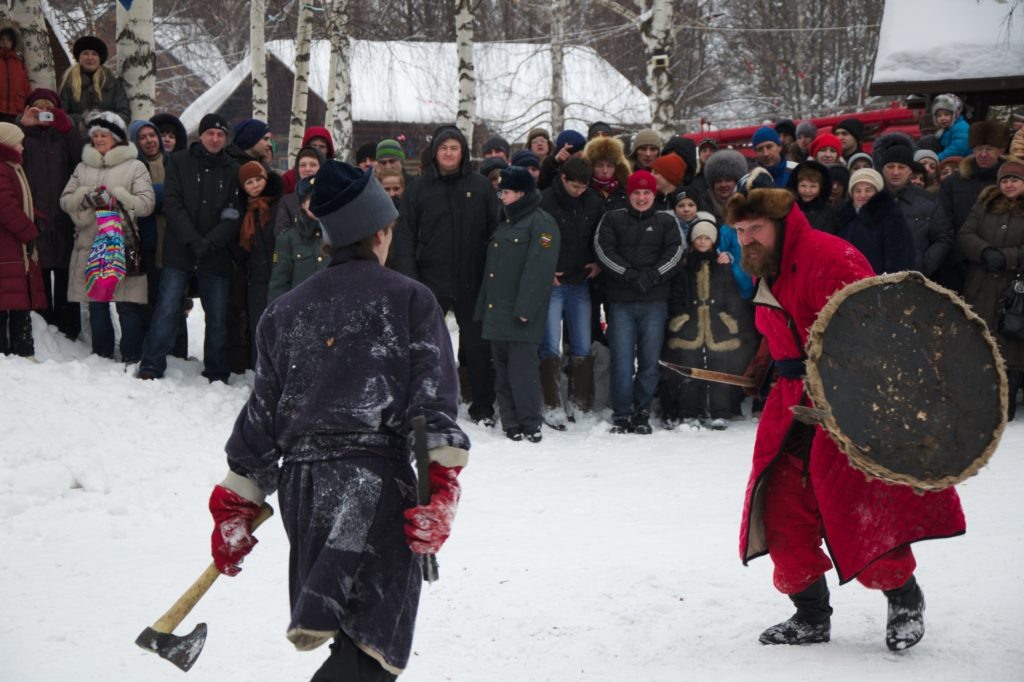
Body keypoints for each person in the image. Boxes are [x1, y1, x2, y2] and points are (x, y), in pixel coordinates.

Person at [207, 159, 470, 681]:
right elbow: (432, 401)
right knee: (369, 651)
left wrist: (235, 505)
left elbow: (262, 415)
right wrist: (440, 487)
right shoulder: (411, 299)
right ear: (379, 232)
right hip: (377, 485)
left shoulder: (283, 311)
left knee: (351, 642)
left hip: (306, 491)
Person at [728, 179, 965, 651]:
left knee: (861, 508)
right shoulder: (767, 264)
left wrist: (847, 403)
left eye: (756, 227)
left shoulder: (832, 258)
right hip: (792, 401)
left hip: (847, 402)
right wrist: (765, 364)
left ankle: (904, 599)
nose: (747, 239)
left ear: (780, 224)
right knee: (779, 510)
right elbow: (784, 326)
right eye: (739, 230)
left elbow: (869, 335)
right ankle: (810, 615)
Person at [391, 124, 500, 426]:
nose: (449, 153)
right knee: (428, 345)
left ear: (462, 152)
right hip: (430, 281)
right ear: (435, 153)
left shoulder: (480, 186)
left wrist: (491, 274)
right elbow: (405, 236)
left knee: (478, 346)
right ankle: (427, 402)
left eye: (454, 148)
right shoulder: (419, 188)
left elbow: (495, 231)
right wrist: (410, 278)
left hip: (473, 279)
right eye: (443, 148)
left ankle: (482, 405)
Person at [138, 113, 241, 382]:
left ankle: (217, 370)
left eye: (220, 134)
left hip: (215, 253)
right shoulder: (180, 162)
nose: (215, 139)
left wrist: (211, 242)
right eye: (210, 134)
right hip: (180, 249)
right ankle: (151, 364)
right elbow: (172, 204)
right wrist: (194, 240)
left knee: (217, 316)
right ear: (201, 136)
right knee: (167, 309)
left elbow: (233, 212)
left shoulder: (232, 168)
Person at [60, 111, 155, 362]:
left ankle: (131, 356)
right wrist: (84, 196)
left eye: (104, 135)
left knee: (127, 306)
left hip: (122, 243)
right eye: (95, 135)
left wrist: (119, 196)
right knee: (97, 304)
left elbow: (147, 204)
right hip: (91, 244)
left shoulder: (135, 166)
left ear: (117, 137)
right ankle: (101, 356)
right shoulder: (83, 167)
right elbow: (65, 201)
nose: (99, 139)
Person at [594, 169, 684, 434]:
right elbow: (603, 250)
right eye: (637, 193)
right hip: (621, 301)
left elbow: (676, 252)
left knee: (649, 359)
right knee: (622, 360)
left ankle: (642, 410)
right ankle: (622, 413)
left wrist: (654, 276)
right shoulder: (612, 219)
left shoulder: (666, 222)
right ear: (629, 195)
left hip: (655, 301)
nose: (642, 197)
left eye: (647, 192)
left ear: (653, 195)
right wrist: (630, 276)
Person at [476, 166, 560, 442]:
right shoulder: (507, 222)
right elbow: (492, 270)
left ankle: (530, 422)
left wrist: (525, 309)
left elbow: (539, 269)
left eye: (506, 191)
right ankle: (511, 423)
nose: (501, 196)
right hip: (497, 311)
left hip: (521, 313)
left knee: (522, 372)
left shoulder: (541, 223)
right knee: (501, 371)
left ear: (521, 193)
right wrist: (484, 306)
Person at [660, 216, 756, 429]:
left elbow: (731, 296)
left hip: (717, 327)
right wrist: (680, 319)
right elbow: (676, 296)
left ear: (713, 241)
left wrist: (730, 320)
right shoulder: (684, 267)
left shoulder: (721, 265)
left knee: (719, 369)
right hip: (690, 327)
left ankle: (720, 412)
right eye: (699, 238)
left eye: (707, 238)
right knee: (689, 371)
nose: (703, 242)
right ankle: (689, 412)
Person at [958, 159, 1024, 421]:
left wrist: (1006, 257)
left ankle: (1006, 404)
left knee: (1012, 349)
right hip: (981, 284)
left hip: (1015, 291)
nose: (1009, 184)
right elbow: (965, 234)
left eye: (1015, 180)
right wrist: (984, 251)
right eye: (1005, 180)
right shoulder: (984, 205)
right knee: (980, 343)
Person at [539, 156, 604, 421]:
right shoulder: (545, 201)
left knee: (582, 343)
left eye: (583, 186)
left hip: (581, 281)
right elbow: (539, 237)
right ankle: (551, 404)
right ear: (563, 178)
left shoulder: (593, 201)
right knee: (550, 343)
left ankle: (581, 402)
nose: (579, 191)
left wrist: (599, 262)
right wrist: (545, 268)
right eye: (575, 186)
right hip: (555, 282)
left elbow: (601, 236)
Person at [17, 88, 82, 340]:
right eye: (38, 106)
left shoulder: (65, 134)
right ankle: (43, 327)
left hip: (64, 215)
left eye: (49, 106)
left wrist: (68, 129)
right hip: (35, 213)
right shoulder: (22, 134)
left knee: (66, 271)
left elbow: (82, 158)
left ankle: (69, 330)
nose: (43, 111)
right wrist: (24, 125)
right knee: (38, 272)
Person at [228, 160, 283, 372]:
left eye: (258, 179)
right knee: (258, 324)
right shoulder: (244, 210)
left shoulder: (279, 204)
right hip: (256, 276)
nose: (255, 185)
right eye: (249, 182)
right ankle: (259, 370)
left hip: (278, 272)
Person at [873, 134, 950, 278]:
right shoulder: (871, 199)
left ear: (910, 171)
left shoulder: (928, 201)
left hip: (915, 280)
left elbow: (943, 238)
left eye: (901, 167)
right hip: (875, 278)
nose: (895, 172)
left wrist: (922, 266)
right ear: (883, 169)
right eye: (890, 166)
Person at [0, 122, 45, 356]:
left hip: (11, 244)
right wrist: (30, 231)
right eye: (18, 142)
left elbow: (16, 201)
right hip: (7, 245)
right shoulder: (2, 168)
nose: (22, 147)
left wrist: (35, 216)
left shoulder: (12, 167)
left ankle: (18, 348)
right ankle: (13, 350)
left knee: (13, 297)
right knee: (8, 298)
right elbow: (6, 207)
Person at [837, 168, 915, 275]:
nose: (863, 195)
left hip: (877, 283)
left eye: (868, 190)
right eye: (858, 191)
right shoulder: (845, 218)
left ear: (877, 192)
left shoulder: (890, 216)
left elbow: (899, 257)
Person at [267, 177, 327, 304]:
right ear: (302, 204)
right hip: (301, 311)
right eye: (312, 199)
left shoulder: (340, 234)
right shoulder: (287, 238)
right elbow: (280, 283)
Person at [58, 36, 130, 131]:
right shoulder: (68, 83)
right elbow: (61, 114)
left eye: (94, 54)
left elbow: (124, 113)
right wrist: (82, 119)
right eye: (85, 53)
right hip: (78, 140)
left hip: (109, 138)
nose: (90, 58)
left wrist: (105, 119)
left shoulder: (113, 83)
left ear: (100, 58)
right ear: (79, 57)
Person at [786, 160, 838, 234]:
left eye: (813, 186)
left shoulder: (829, 212)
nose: (807, 191)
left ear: (821, 187)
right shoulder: (788, 208)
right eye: (803, 186)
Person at [281, 127, 335, 193]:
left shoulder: (335, 176)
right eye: (314, 146)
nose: (317, 150)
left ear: (328, 150)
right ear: (306, 147)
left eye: (322, 147)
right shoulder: (289, 178)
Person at [0, 22, 29, 124]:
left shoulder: (20, 62)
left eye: (9, 40)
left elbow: (26, 87)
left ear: (14, 42)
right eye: (2, 40)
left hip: (16, 111)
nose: (5, 42)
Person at [931, 93, 971, 161]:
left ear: (955, 114)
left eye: (946, 114)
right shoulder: (947, 129)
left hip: (966, 161)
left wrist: (938, 158)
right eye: (939, 115)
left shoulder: (961, 127)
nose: (942, 118)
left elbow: (957, 149)